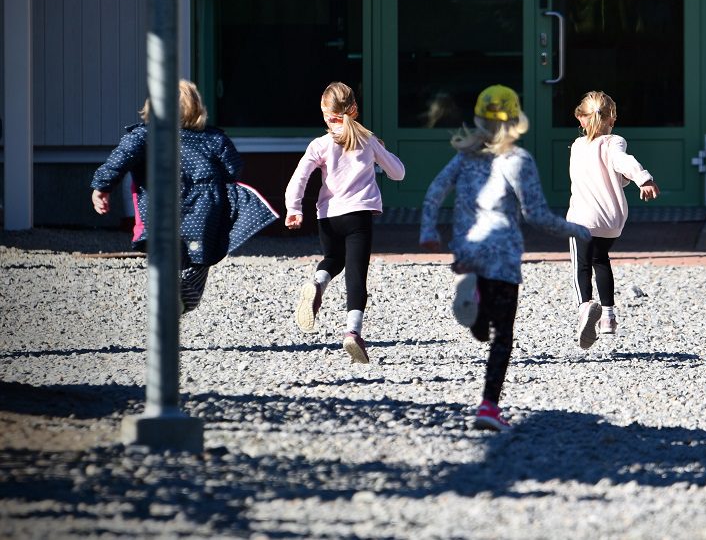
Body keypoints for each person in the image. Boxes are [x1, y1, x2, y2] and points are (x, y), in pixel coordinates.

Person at [419, 84, 590, 432]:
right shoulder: (519, 161)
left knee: (481, 325)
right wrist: (577, 230)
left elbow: (434, 192)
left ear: (479, 119)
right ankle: (488, 407)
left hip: (467, 248)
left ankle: (474, 302)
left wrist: (428, 232)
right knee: (502, 336)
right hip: (502, 254)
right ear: (515, 122)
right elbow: (536, 214)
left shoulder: (463, 157)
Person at [90, 80, 278, 314]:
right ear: (196, 109)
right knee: (200, 255)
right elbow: (233, 169)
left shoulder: (144, 136)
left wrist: (102, 187)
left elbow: (119, 159)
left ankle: (169, 288)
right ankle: (184, 292)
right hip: (204, 211)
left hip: (161, 209)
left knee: (166, 251)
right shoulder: (214, 138)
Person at [284, 81, 406, 365]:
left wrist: (294, 208)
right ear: (354, 109)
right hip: (358, 217)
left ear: (326, 114)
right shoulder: (367, 141)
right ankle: (353, 332)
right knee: (356, 274)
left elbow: (299, 177)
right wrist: (380, 153)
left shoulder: (320, 144)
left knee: (332, 259)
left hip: (328, 216)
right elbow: (398, 173)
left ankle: (318, 282)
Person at [566, 91, 659, 349]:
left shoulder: (577, 146)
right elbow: (621, 164)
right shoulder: (615, 142)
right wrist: (642, 178)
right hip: (612, 221)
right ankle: (608, 317)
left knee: (581, 265)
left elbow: (592, 173)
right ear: (613, 119)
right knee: (601, 260)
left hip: (582, 218)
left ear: (580, 118)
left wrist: (639, 178)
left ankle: (585, 306)